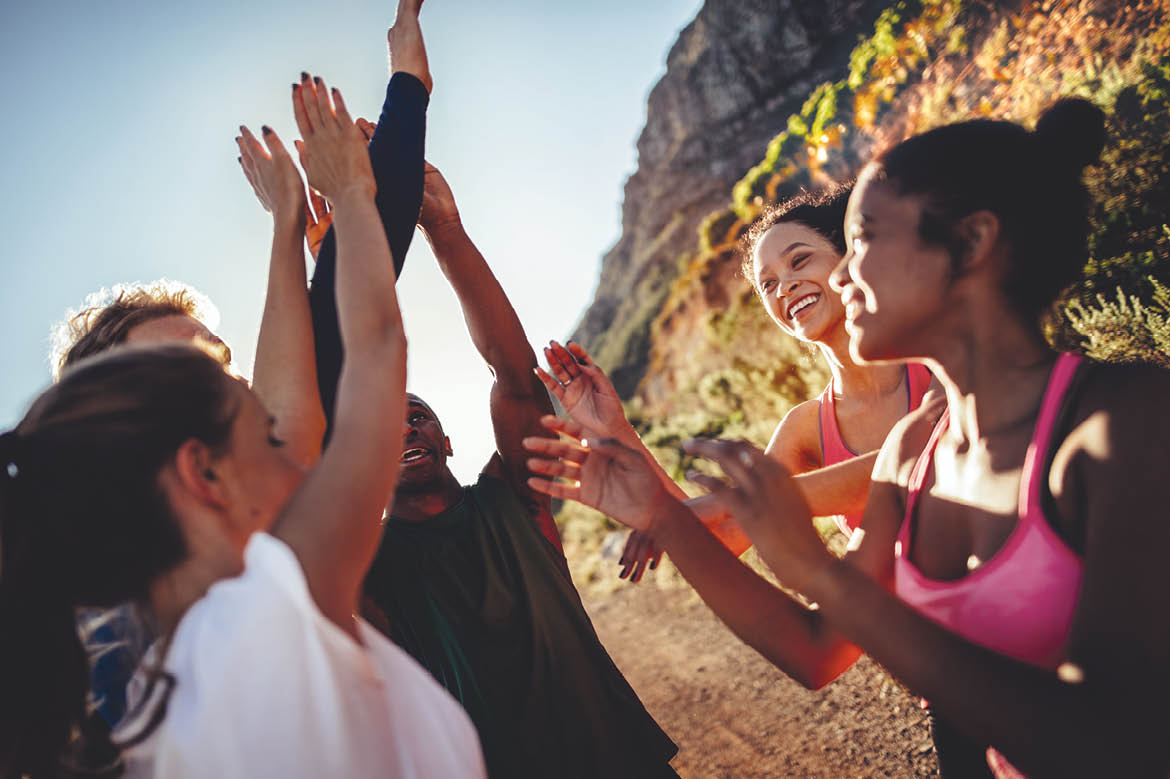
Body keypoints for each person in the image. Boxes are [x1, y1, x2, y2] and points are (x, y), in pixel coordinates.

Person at [526, 98, 1170, 778]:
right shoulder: (912, 451)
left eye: (861, 241)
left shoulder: (1126, 417)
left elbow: (1117, 740)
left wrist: (813, 563)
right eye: (769, 283)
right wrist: (657, 506)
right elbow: (817, 649)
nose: (837, 276)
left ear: (973, 242)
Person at [0, 74, 485, 778]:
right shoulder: (267, 616)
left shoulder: (159, 684)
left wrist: (289, 224)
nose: (271, 408)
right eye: (208, 379)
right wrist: (350, 193)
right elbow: (375, 350)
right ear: (198, 469)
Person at [307, 159, 677, 777]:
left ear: (446, 439)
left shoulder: (515, 498)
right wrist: (328, 288)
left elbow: (512, 371)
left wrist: (445, 231)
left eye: (417, 415)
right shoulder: (366, 565)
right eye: (381, 424)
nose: (403, 426)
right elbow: (308, 444)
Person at [537, 186, 933, 581]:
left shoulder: (935, 363)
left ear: (846, 259)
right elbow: (719, 546)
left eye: (800, 260)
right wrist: (617, 430)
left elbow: (919, 460)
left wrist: (752, 501)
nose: (786, 287)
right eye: (768, 285)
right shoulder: (806, 427)